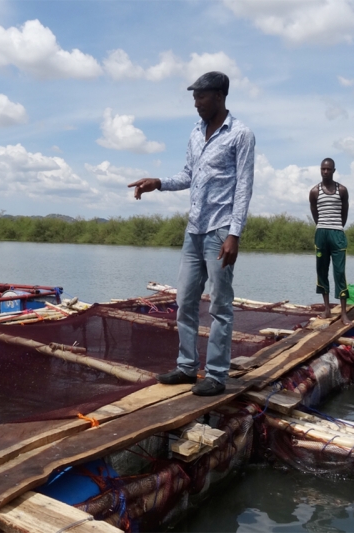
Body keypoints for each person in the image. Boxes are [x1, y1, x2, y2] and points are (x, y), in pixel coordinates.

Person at [128, 71, 255, 396]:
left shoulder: (240, 135)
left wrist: (234, 234)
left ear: (220, 96)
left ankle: (215, 374)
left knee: (220, 306)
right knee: (184, 301)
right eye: (194, 97)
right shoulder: (195, 134)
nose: (196, 103)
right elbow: (189, 174)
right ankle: (186, 367)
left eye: (201, 96)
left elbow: (243, 188)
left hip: (219, 232)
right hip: (194, 231)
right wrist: (159, 183)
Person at [309, 158, 351, 325]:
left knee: (339, 273)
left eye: (328, 169)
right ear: (320, 170)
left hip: (337, 234)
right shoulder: (314, 191)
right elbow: (315, 213)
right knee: (322, 270)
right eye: (323, 169)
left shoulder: (342, 190)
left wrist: (337, 227)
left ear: (334, 170)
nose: (325, 172)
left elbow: (344, 212)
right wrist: (322, 226)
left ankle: (343, 313)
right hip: (321, 233)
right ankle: (327, 309)